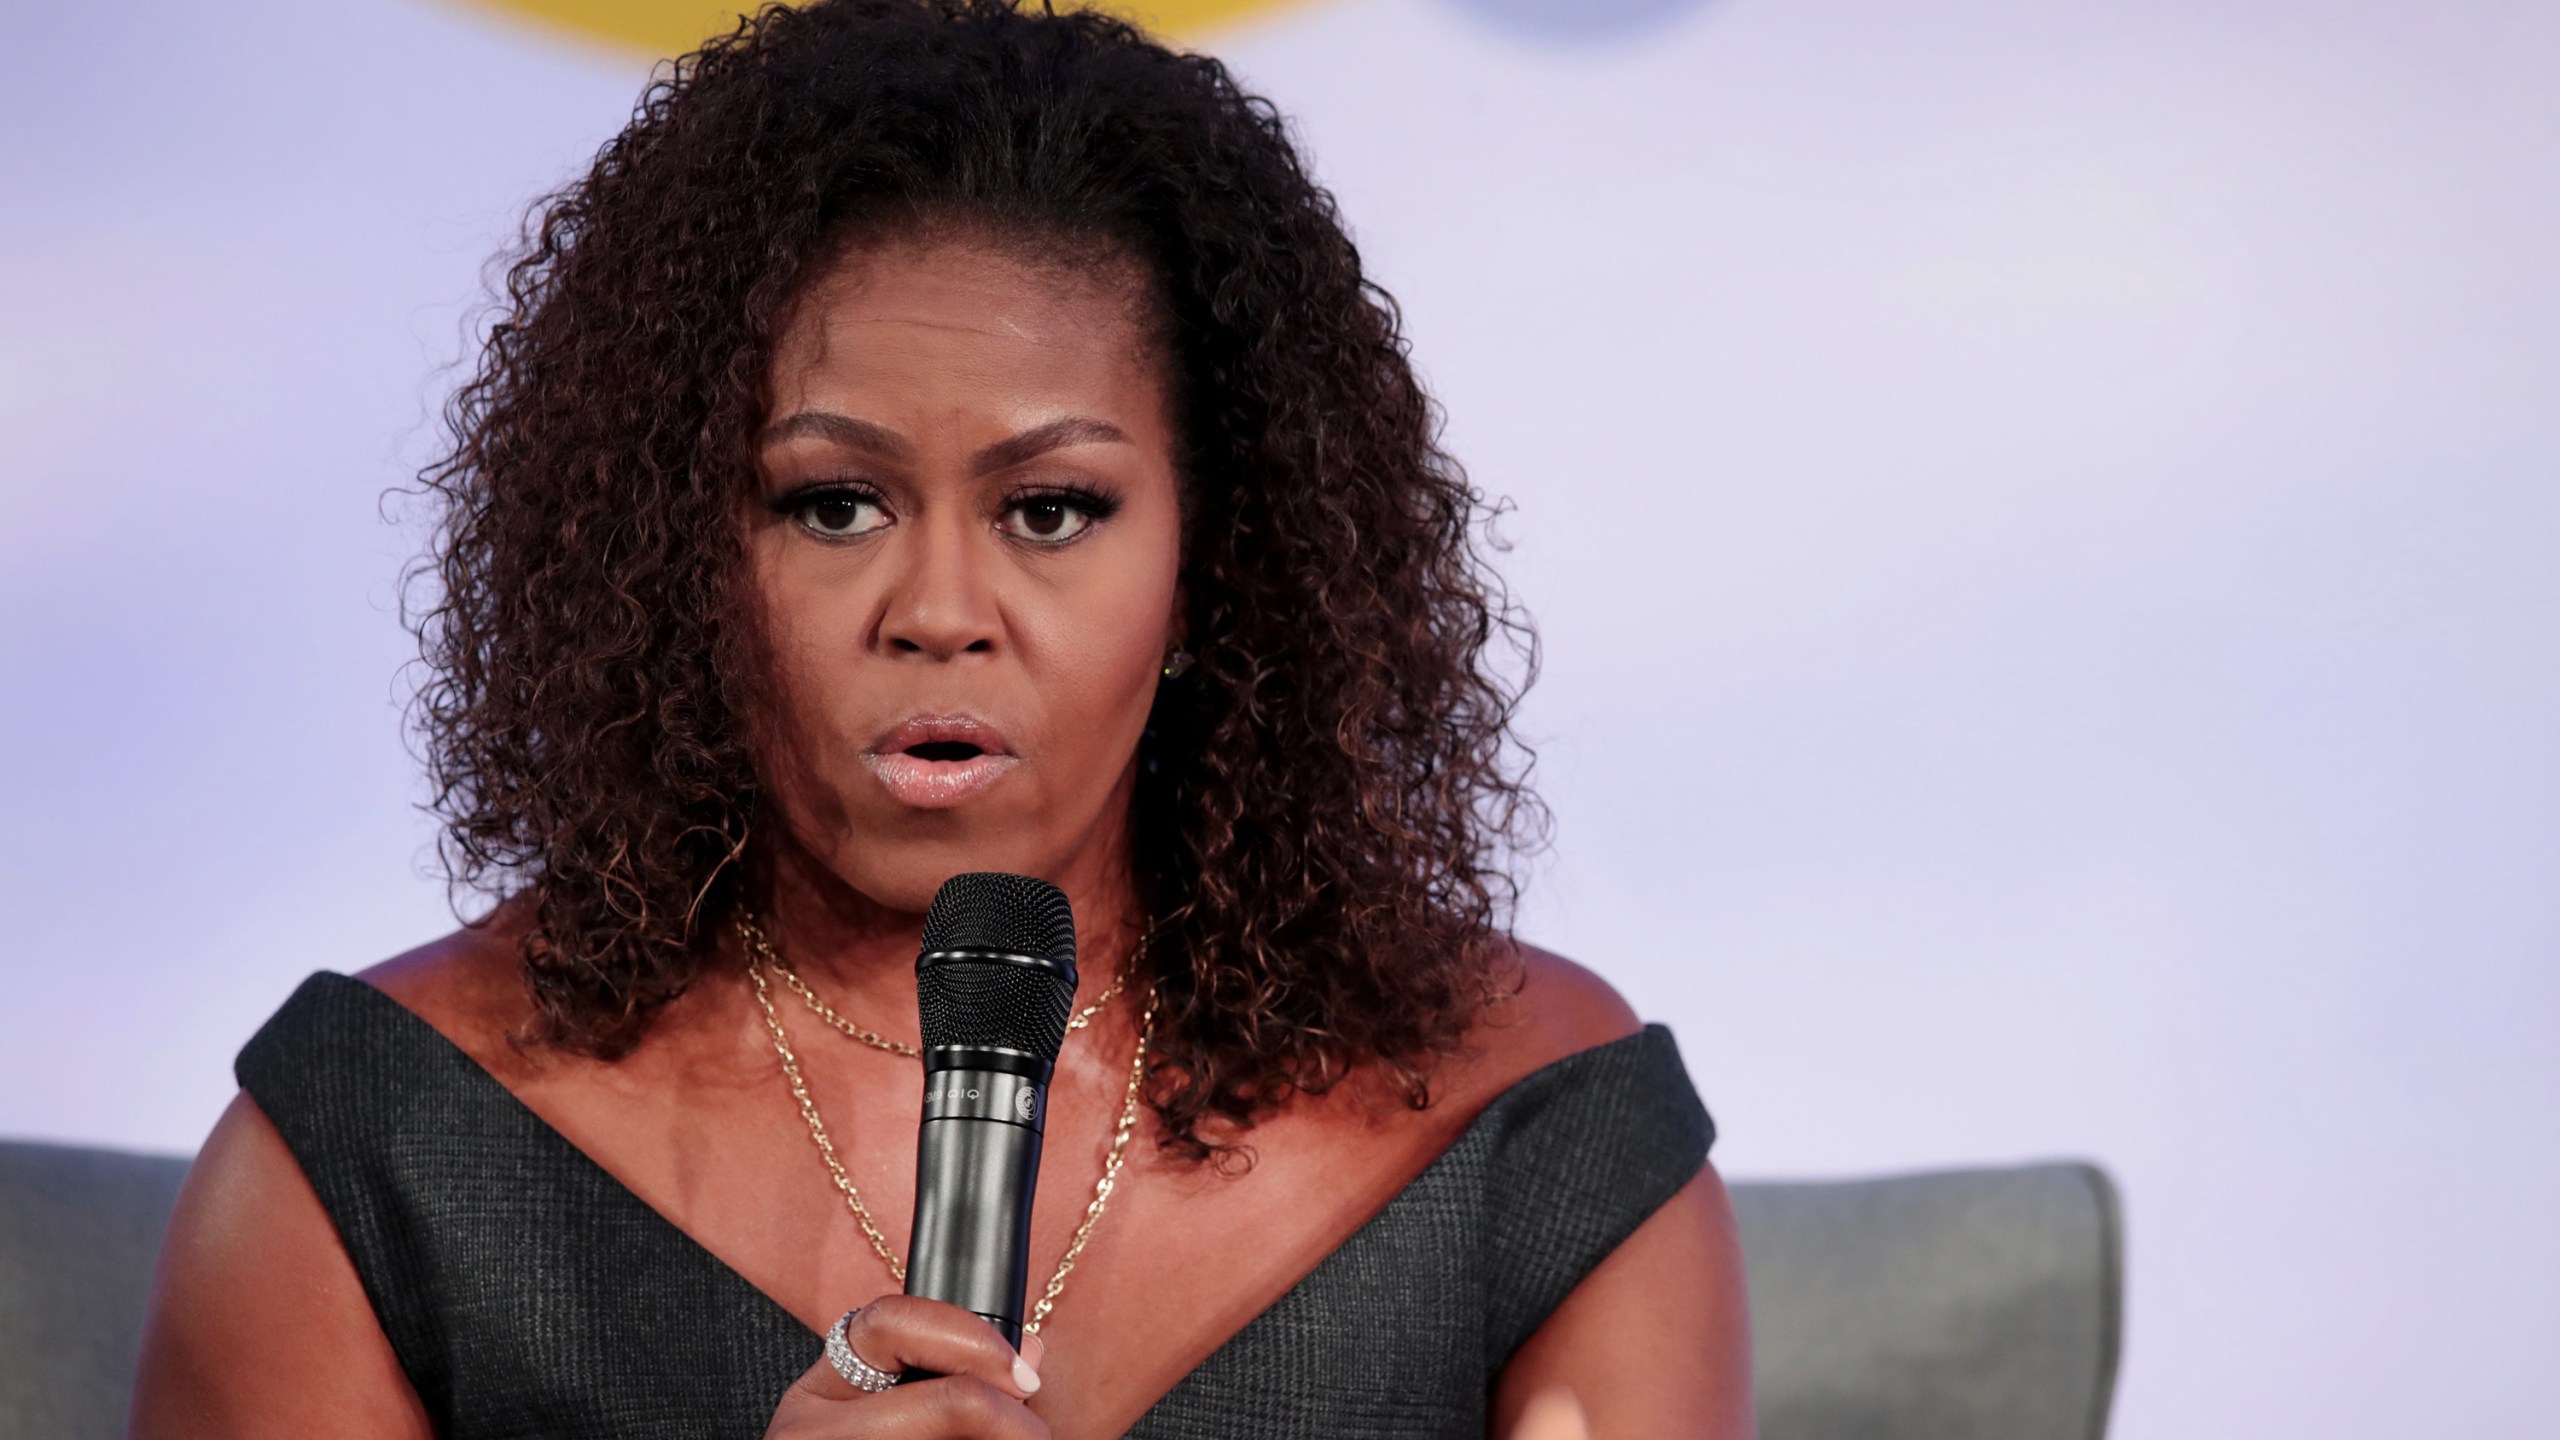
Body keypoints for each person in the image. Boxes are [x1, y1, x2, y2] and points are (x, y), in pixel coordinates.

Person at [129, 2, 1754, 1435]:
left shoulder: (1530, 1124)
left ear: (1215, 562)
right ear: (677, 553)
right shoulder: (385, 1156)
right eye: (833, 505)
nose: (938, 607)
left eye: (1051, 510)